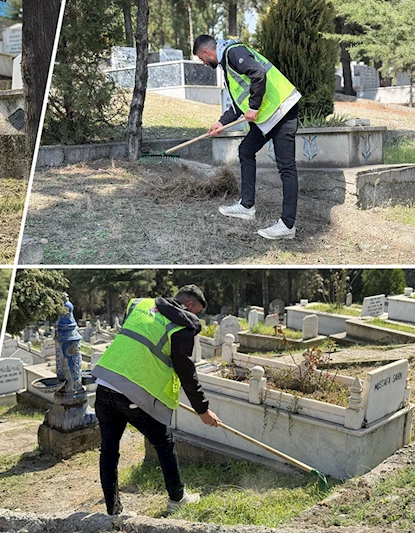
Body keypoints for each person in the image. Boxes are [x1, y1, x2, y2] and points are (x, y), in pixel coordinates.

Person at [91, 285, 221, 515]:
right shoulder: (182, 327)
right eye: (196, 312)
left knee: (109, 450)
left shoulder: (139, 303)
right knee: (164, 442)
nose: (194, 317)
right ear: (189, 306)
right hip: (133, 391)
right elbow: (186, 371)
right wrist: (203, 410)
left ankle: (113, 511)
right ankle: (177, 498)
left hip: (105, 381)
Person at [193, 34, 302, 240]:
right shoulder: (227, 63)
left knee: (286, 167)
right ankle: (246, 206)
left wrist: (254, 106)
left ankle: (287, 225)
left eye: (201, 58)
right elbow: (237, 104)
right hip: (268, 116)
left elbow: (258, 73)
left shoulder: (234, 53)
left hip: (282, 110)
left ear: (207, 52)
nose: (203, 63)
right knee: (246, 150)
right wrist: (221, 123)